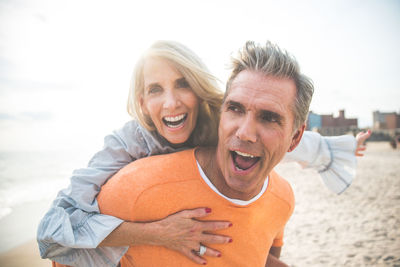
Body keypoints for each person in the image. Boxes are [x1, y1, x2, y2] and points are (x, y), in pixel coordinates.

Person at [37, 40, 370, 266]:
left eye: (183, 84)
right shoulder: (128, 144)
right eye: (155, 89)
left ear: (199, 89)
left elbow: (285, 140)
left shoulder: (220, 119)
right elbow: (51, 233)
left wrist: (336, 147)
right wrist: (158, 232)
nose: (172, 103)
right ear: (140, 103)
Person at [96, 40, 311, 266]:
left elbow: (260, 255)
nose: (245, 133)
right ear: (221, 112)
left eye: (269, 118)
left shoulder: (283, 198)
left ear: (295, 137)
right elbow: (63, 247)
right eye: (235, 109)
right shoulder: (136, 187)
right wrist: (155, 233)